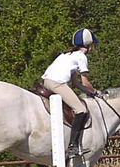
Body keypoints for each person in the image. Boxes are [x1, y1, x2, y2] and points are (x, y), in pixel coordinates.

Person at [42, 28, 102, 156]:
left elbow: (76, 84)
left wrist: (90, 92)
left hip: (47, 82)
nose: (93, 48)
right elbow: (85, 82)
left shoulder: (67, 54)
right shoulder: (81, 57)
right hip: (57, 84)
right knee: (81, 110)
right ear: (88, 45)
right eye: (92, 45)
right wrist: (96, 92)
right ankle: (72, 146)